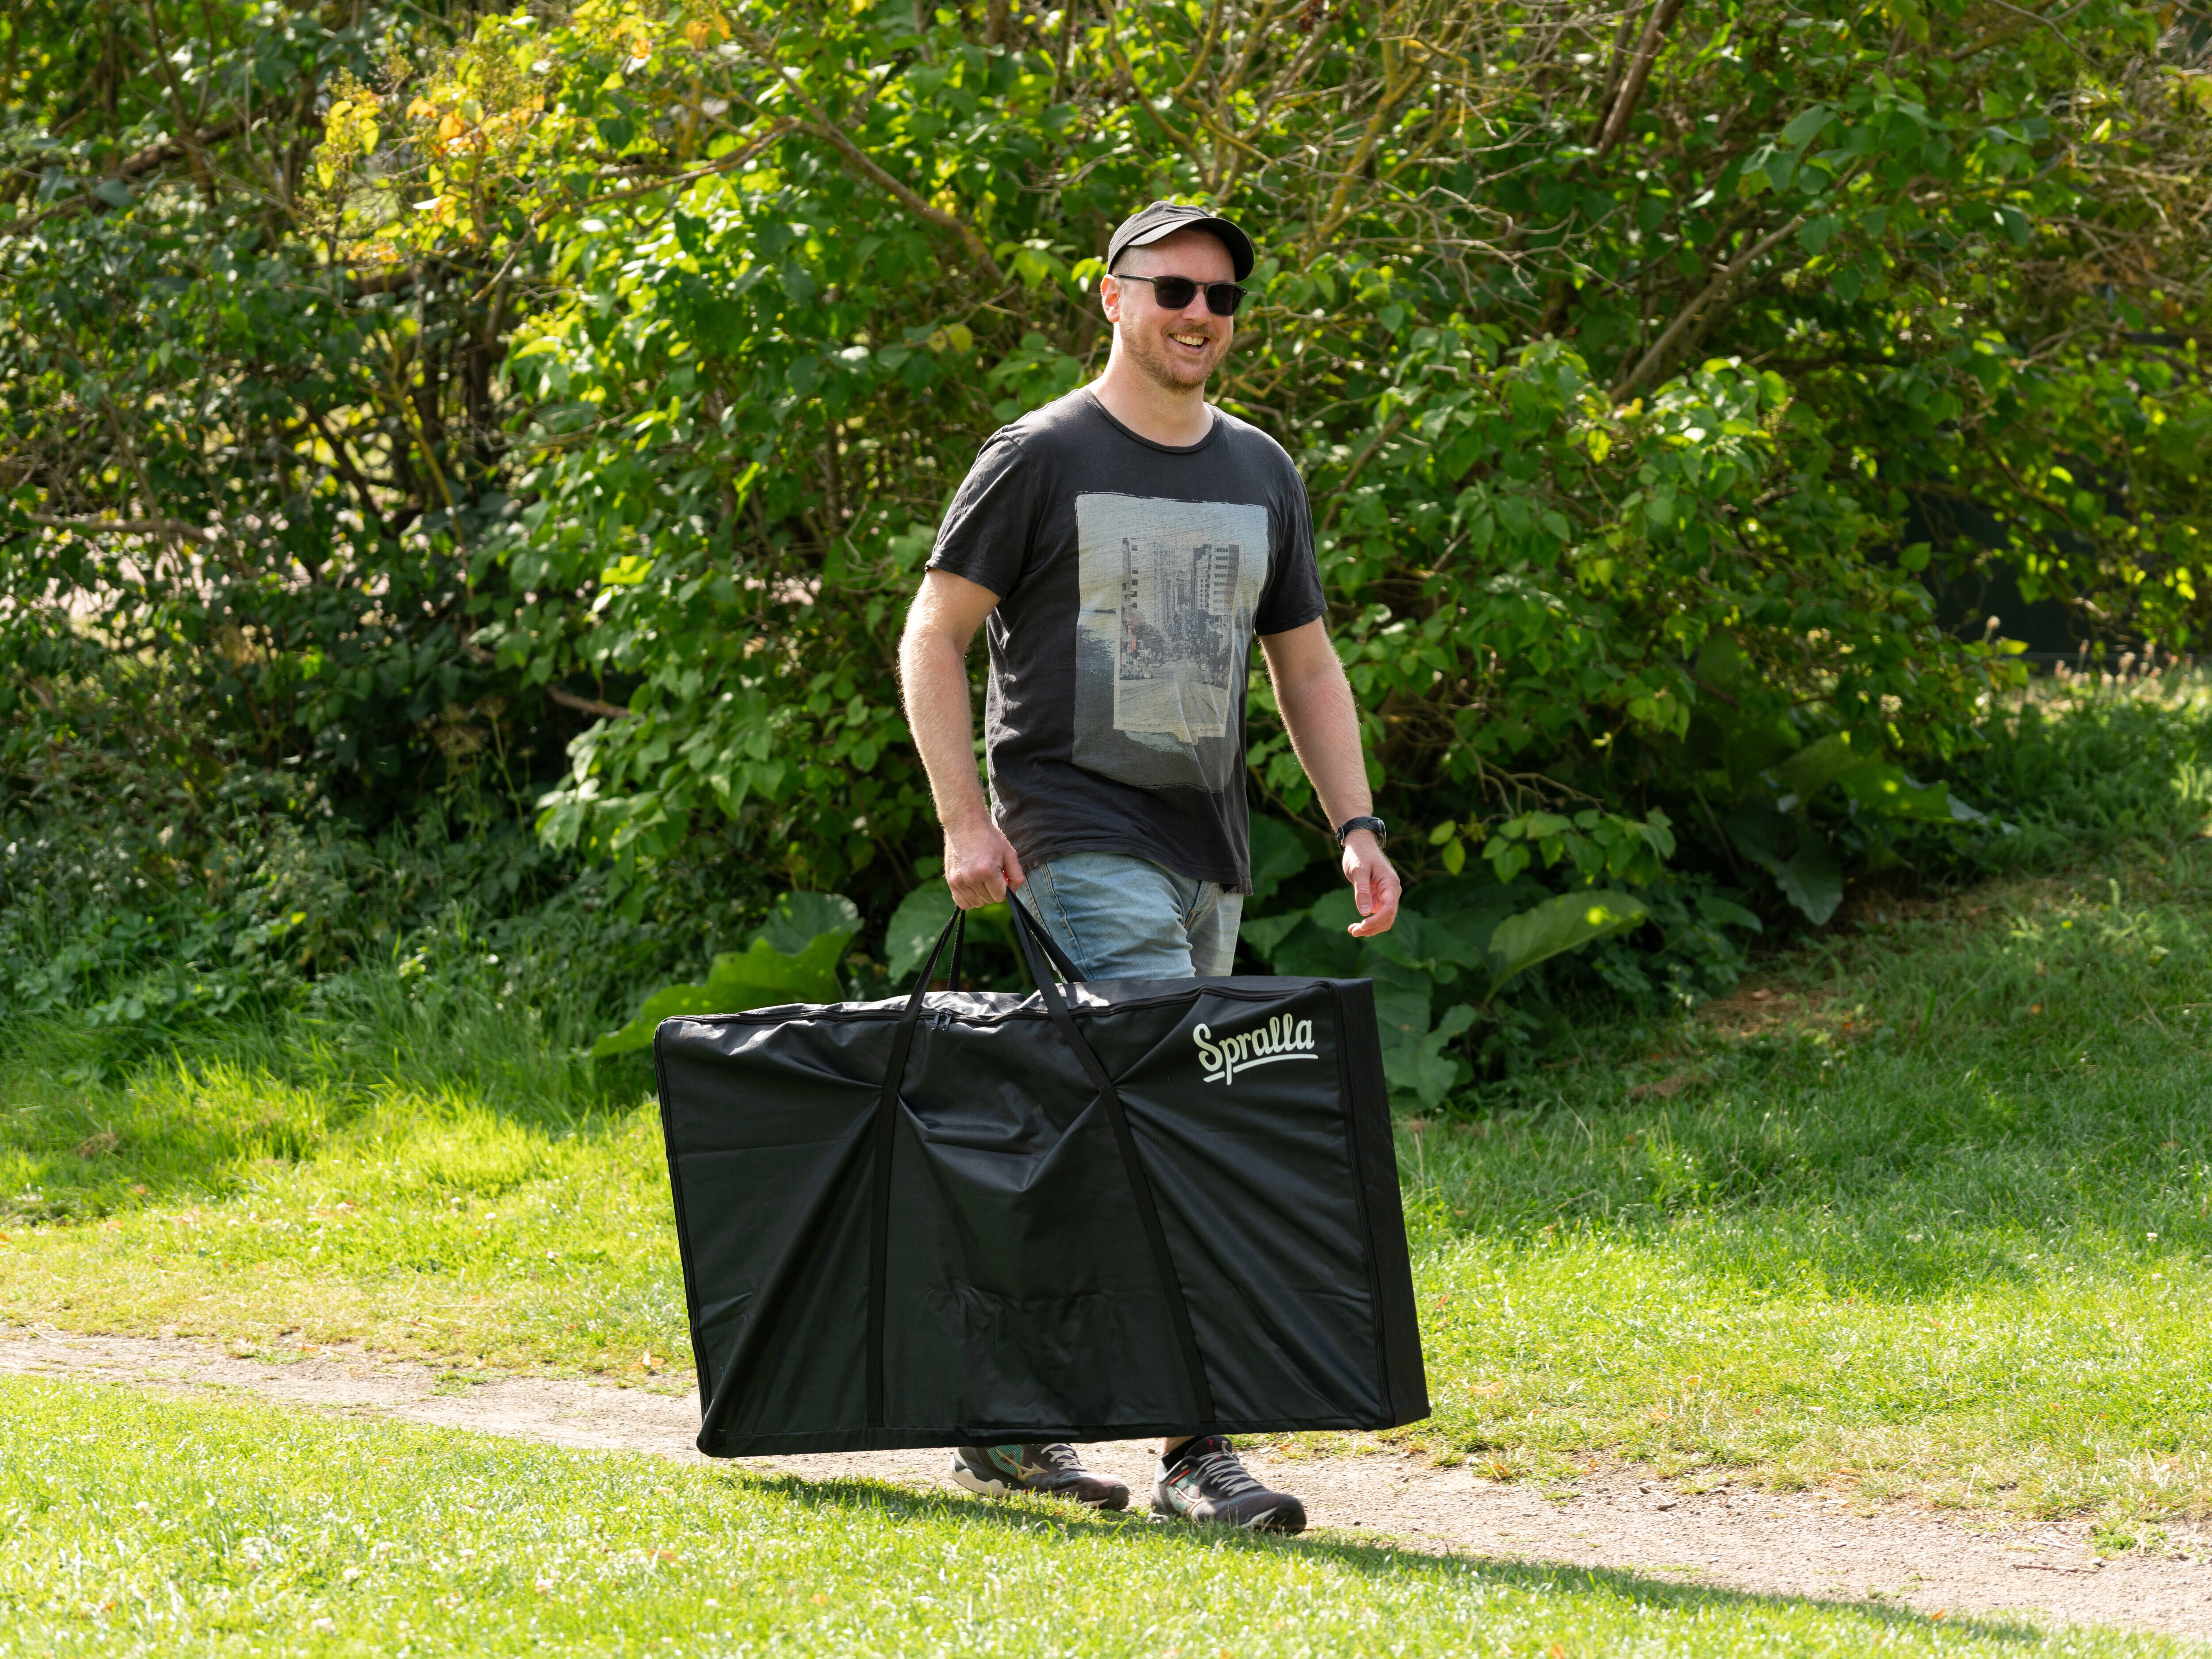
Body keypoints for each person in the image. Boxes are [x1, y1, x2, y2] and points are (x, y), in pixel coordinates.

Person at [896, 200, 1400, 1534]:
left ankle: (1004, 1419)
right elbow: (932, 635)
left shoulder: (1260, 472)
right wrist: (967, 820)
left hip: (1207, 850)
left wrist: (1357, 824)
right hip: (1074, 832)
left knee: (1093, 1135)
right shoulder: (1042, 456)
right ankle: (1199, 1451)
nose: (1197, 315)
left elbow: (1305, 663)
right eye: (1171, 288)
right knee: (1179, 1132)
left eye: (1222, 298)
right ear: (1109, 297)